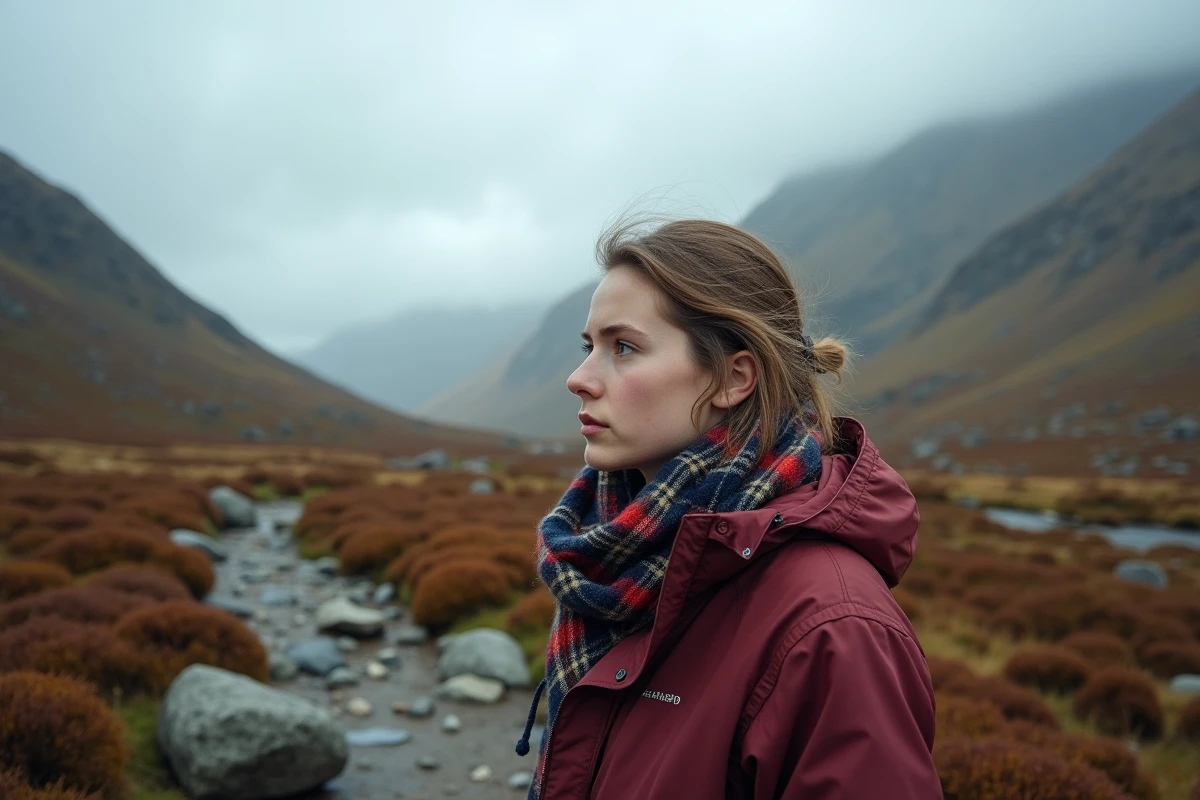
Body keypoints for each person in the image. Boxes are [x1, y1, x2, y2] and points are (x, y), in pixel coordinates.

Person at [514, 218, 941, 799]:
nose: (578, 379)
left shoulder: (834, 630)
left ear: (733, 378)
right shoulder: (620, 566)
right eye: (590, 348)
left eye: (625, 348)